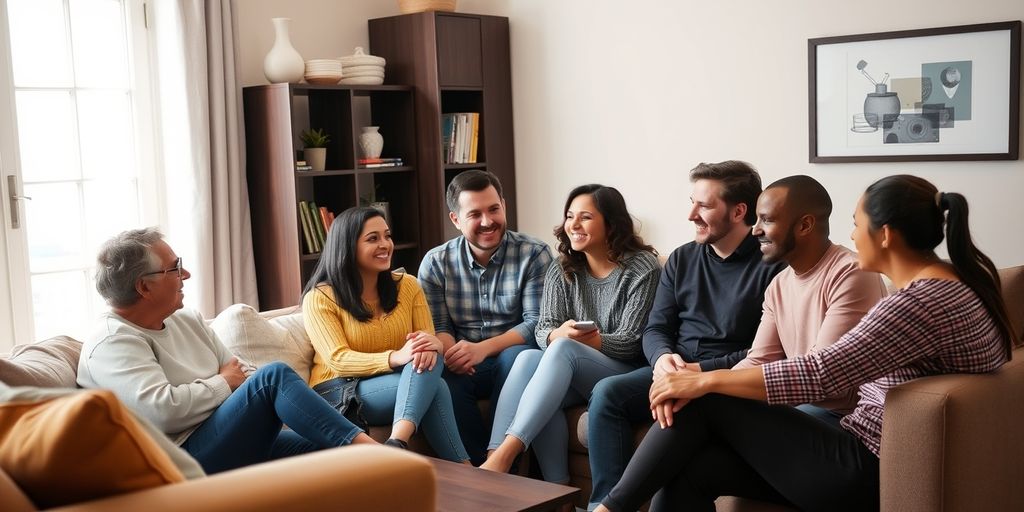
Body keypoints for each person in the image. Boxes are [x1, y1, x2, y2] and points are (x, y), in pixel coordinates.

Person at [598, 175, 1017, 512]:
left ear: (885, 234)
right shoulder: (953, 284)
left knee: (707, 397)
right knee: (691, 467)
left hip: (865, 469)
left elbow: (824, 373)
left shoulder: (919, 302)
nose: (852, 235)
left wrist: (701, 382)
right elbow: (782, 362)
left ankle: (610, 508)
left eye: (856, 223)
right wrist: (695, 381)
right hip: (857, 451)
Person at [78, 228, 376, 475]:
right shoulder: (112, 342)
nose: (187, 274)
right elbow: (164, 412)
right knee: (273, 377)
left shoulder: (187, 320)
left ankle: (378, 463)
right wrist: (222, 382)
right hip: (178, 461)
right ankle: (378, 453)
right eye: (175, 267)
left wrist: (219, 386)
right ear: (144, 287)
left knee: (332, 451)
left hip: (224, 435)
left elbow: (241, 372)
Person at [586, 161, 785, 508]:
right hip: (676, 367)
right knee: (607, 394)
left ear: (739, 211)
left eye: (704, 205)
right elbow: (656, 328)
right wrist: (663, 359)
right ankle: (601, 502)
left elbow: (765, 352)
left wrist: (700, 375)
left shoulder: (773, 267)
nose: (691, 214)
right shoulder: (681, 259)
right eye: (692, 201)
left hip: (726, 379)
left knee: (686, 409)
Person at [479, 184, 660, 486]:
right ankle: (554, 489)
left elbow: (631, 341)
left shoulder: (642, 268)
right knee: (527, 359)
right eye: (569, 216)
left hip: (625, 370)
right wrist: (555, 334)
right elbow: (543, 328)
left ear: (611, 223)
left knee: (562, 351)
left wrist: (575, 340)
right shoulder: (563, 267)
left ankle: (505, 455)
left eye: (585, 217)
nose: (573, 225)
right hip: (576, 367)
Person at [303, 207, 470, 463]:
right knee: (434, 380)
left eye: (387, 236)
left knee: (430, 363)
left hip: (400, 381)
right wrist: (395, 357)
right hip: (339, 392)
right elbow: (338, 358)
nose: (385, 245)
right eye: (373, 238)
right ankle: (467, 471)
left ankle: (398, 443)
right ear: (348, 247)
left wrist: (433, 344)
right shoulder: (320, 298)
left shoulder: (408, 286)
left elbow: (424, 344)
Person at [418, 169, 553, 464]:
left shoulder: (534, 253)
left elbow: (536, 323)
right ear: (455, 219)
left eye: (494, 209)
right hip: (466, 361)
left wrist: (481, 349)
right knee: (443, 375)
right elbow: (439, 325)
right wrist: (453, 353)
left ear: (504, 204)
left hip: (514, 356)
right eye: (475, 214)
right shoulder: (436, 263)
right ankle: (479, 472)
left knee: (516, 357)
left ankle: (501, 462)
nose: (488, 221)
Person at [735, 174, 887, 425]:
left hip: (842, 416)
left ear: (805, 225)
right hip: (802, 405)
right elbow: (759, 360)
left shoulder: (852, 272)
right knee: (701, 409)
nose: (755, 230)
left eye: (767, 219)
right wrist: (704, 389)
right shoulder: (779, 285)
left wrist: (706, 383)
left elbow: (824, 378)